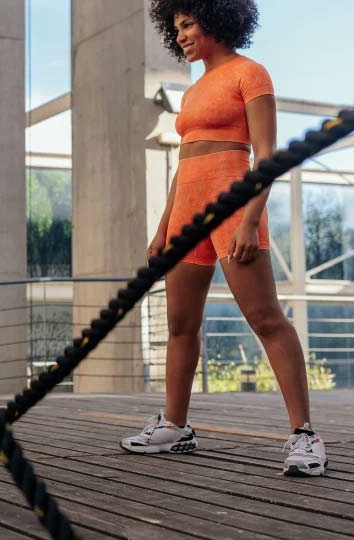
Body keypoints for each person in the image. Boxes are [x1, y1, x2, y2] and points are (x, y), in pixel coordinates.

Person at [120, 0, 327, 477]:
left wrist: (250, 220)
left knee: (266, 318)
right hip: (186, 216)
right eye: (176, 28)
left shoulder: (250, 73)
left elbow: (269, 156)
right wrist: (163, 227)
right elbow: (184, 165)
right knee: (179, 325)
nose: (182, 36)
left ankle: (305, 435)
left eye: (188, 24)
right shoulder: (192, 93)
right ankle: (175, 425)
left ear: (216, 20)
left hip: (234, 208)